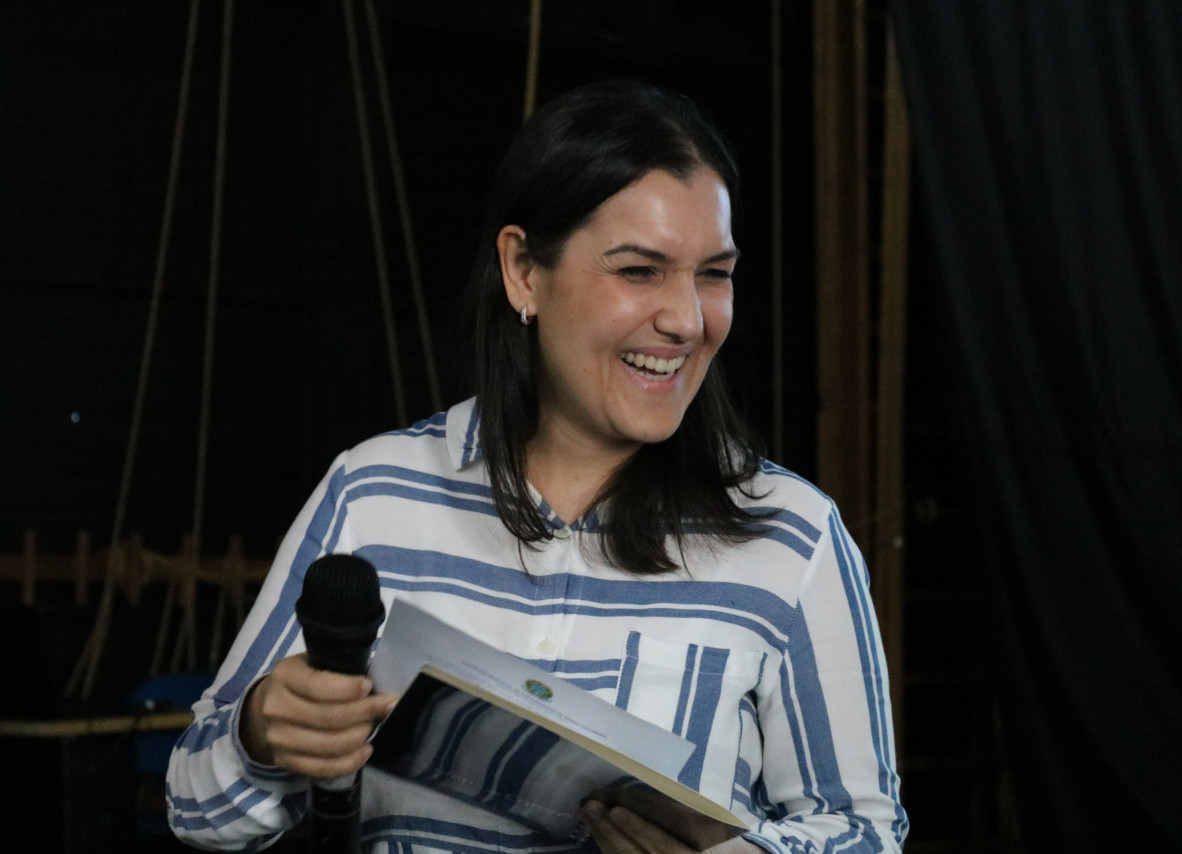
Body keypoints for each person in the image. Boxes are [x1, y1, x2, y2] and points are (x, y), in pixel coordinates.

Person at [166, 80, 907, 854]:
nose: (687, 320)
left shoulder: (792, 535)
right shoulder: (373, 493)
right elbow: (195, 810)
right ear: (523, 269)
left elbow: (865, 832)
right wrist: (262, 731)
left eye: (714, 274)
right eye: (639, 270)